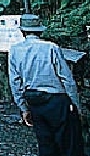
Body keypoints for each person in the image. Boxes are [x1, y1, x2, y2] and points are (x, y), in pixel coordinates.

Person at [8, 13, 84, 156]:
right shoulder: (51, 48)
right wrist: (76, 105)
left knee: (45, 144)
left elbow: (15, 82)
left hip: (34, 101)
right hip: (56, 101)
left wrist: (23, 108)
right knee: (68, 144)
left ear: (22, 31)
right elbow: (67, 79)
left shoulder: (14, 50)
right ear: (40, 31)